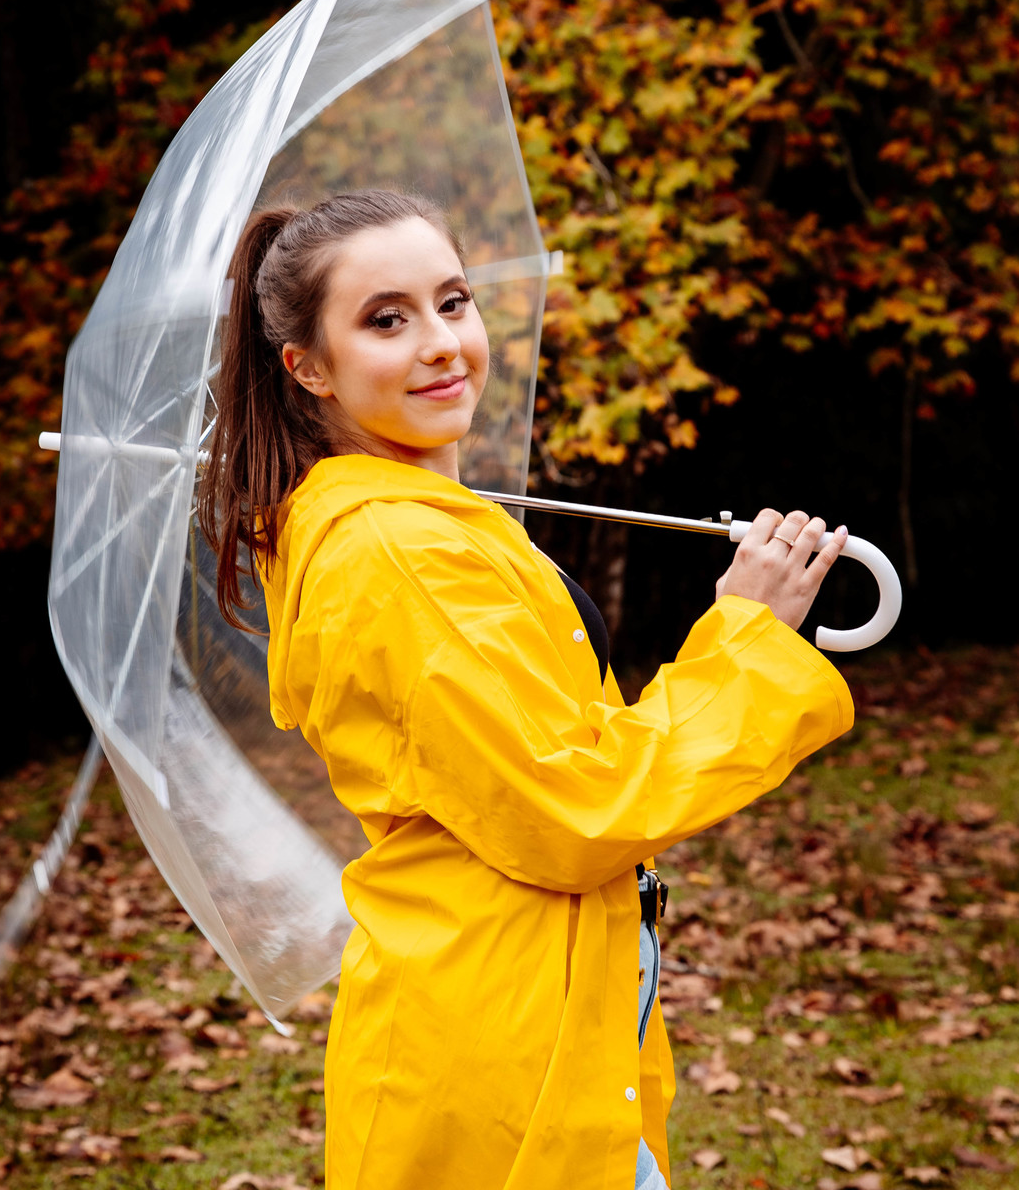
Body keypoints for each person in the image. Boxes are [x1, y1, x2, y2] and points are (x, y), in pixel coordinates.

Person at [198, 188, 854, 1190]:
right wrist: (748, 637)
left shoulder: (418, 518)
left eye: (452, 302)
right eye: (386, 319)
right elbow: (573, 804)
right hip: (499, 1036)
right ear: (310, 369)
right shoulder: (397, 551)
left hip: (524, 995)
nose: (440, 343)